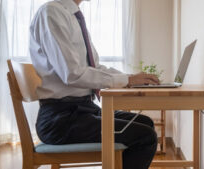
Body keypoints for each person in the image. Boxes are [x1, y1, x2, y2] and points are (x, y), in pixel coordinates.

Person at [29, 0, 159, 168]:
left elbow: (94, 68)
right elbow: (72, 73)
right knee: (144, 136)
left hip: (82, 110)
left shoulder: (72, 16)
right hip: (61, 119)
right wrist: (127, 80)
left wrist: (129, 78)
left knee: (145, 123)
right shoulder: (51, 13)